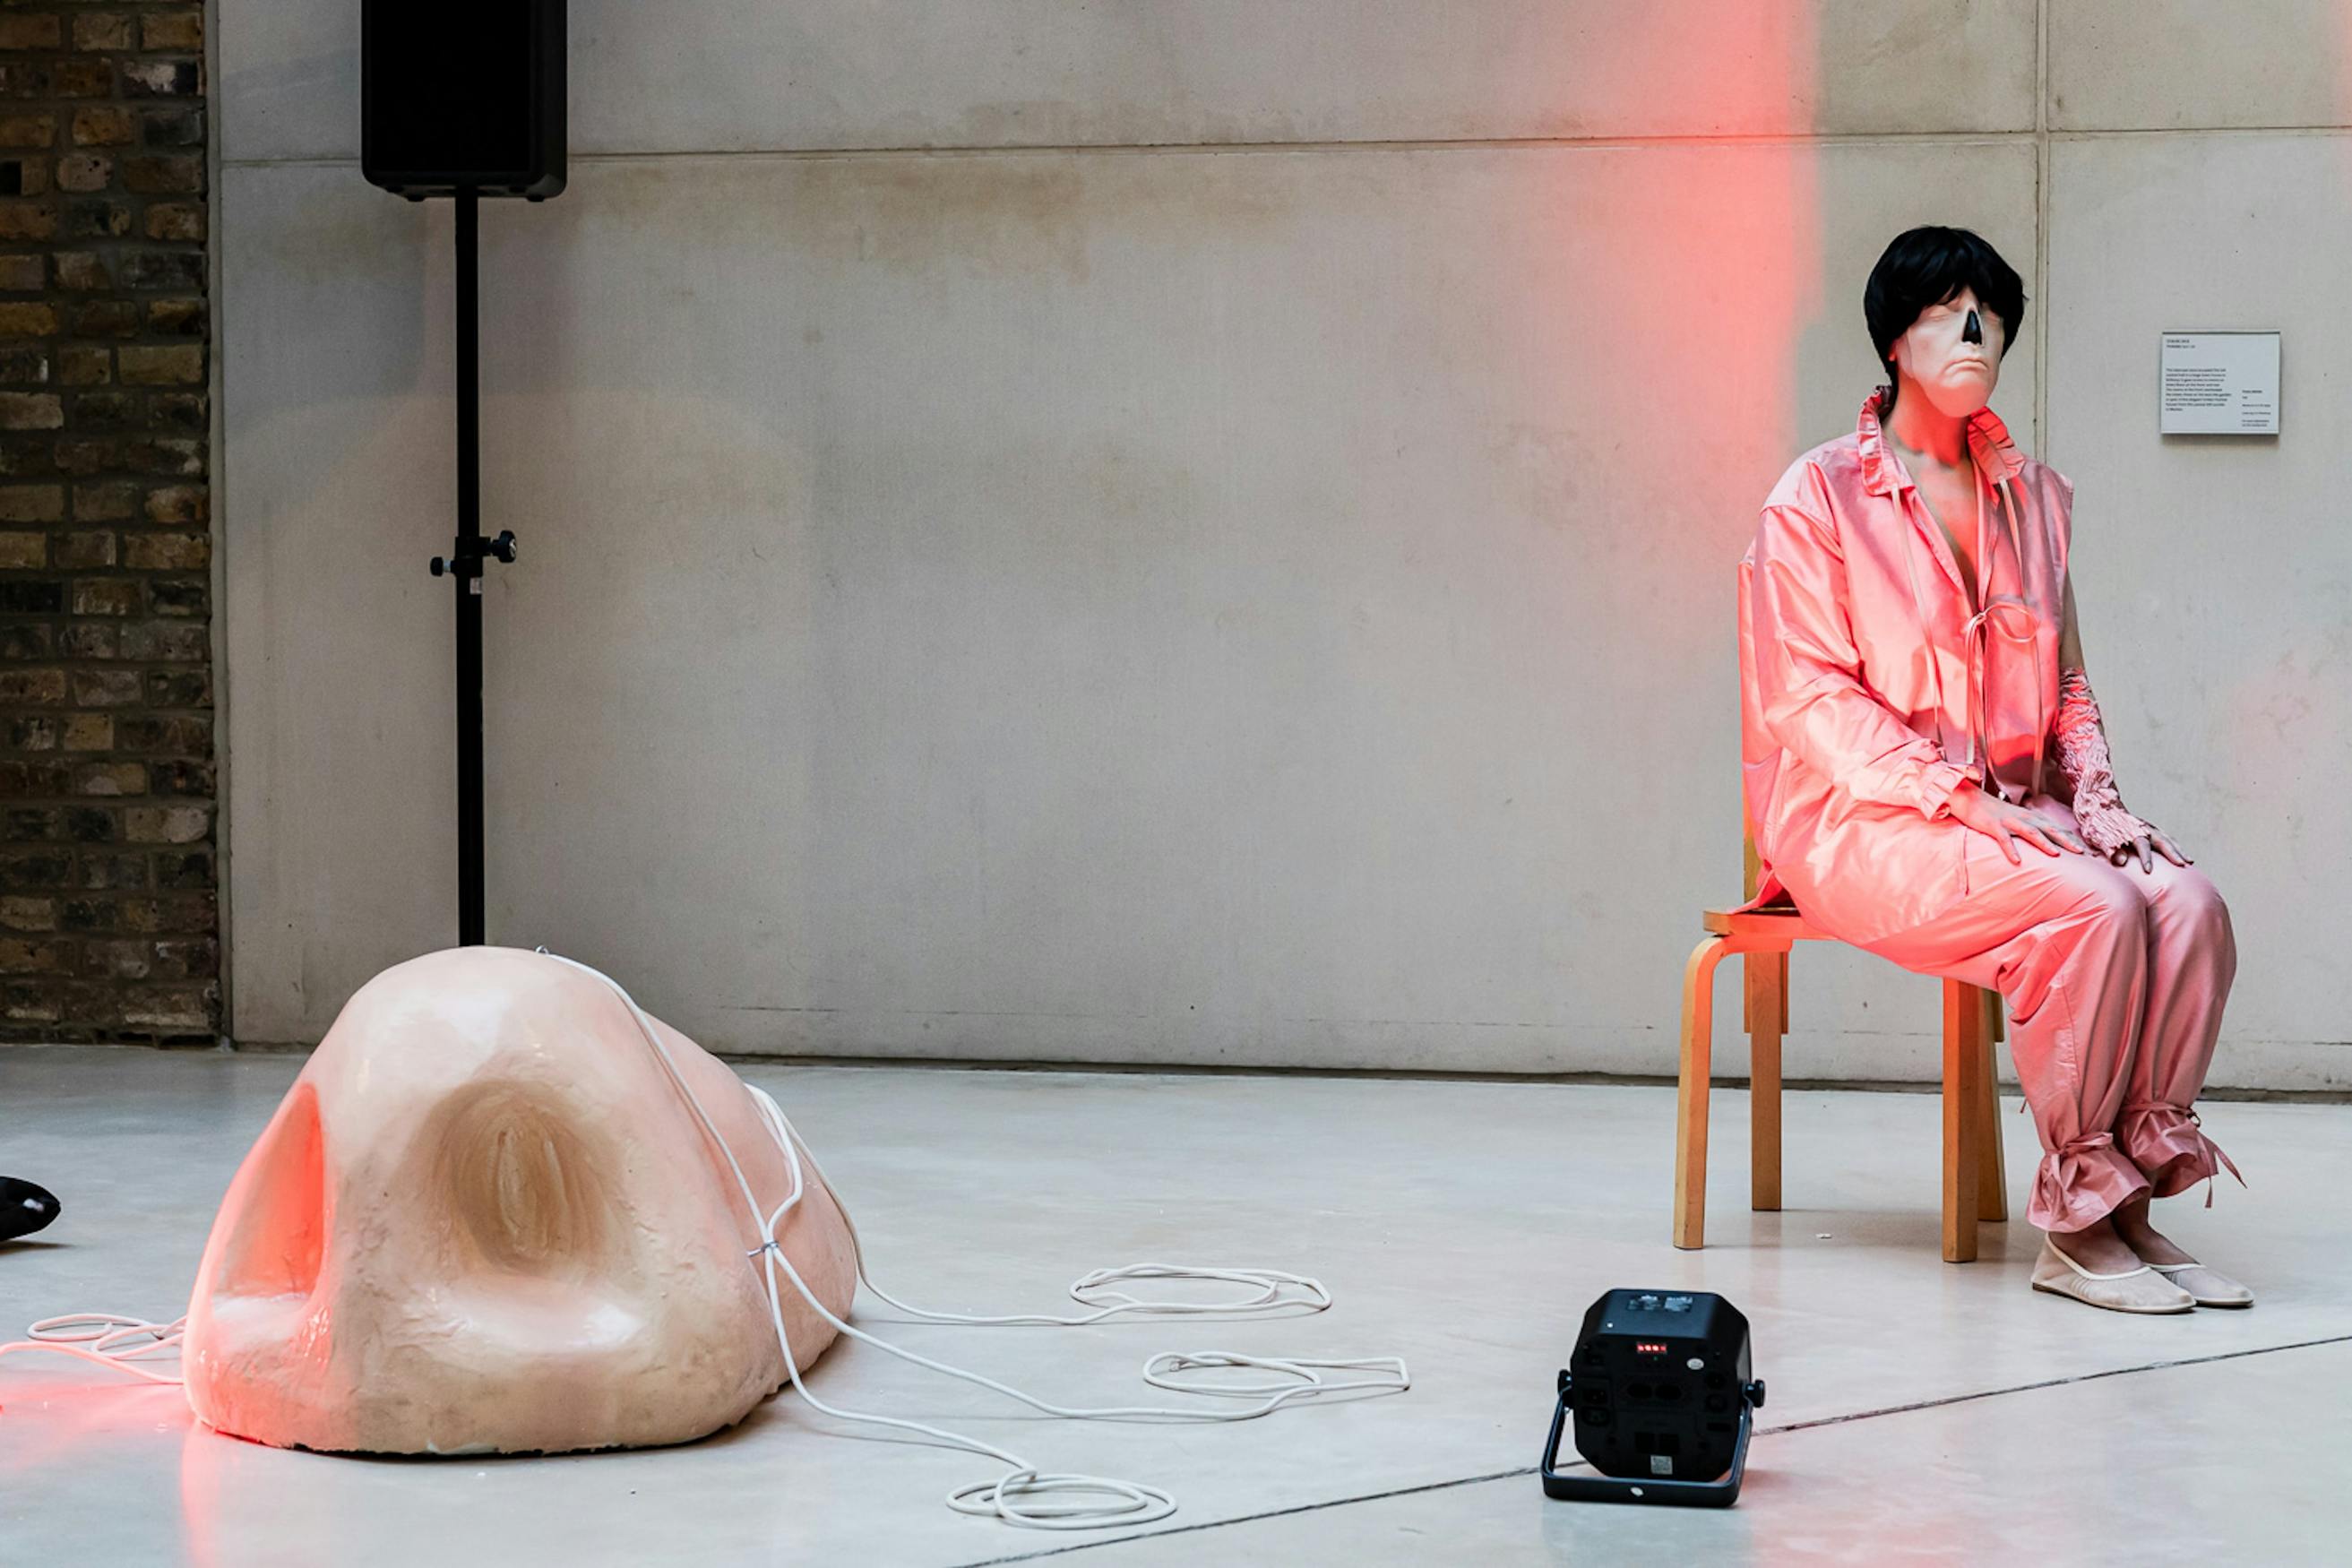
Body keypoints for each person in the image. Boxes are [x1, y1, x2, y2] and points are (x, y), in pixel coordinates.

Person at [1730, 226, 2245, 1314]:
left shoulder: (2037, 499)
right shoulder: (1814, 498)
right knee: (2093, 910)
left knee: (2185, 899)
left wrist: (2099, 805)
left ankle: (2132, 1200)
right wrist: (1965, 801)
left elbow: (2068, 684)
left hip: (2019, 811)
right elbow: (1809, 700)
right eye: (1945, 311)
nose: (1975, 331)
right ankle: (2073, 1219)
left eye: (1992, 314)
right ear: (1892, 340)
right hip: (1863, 819)